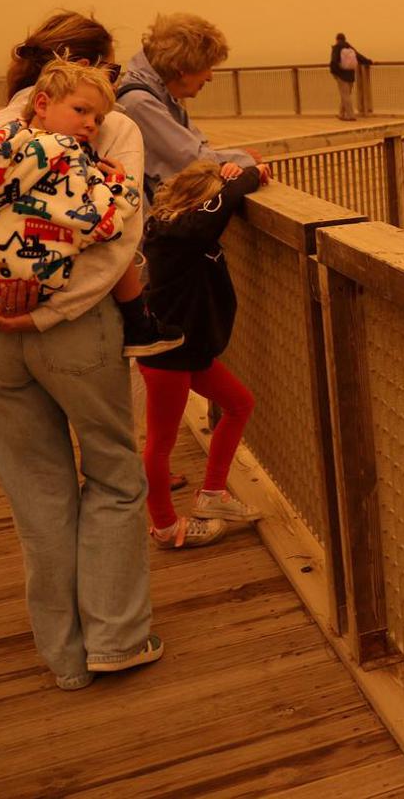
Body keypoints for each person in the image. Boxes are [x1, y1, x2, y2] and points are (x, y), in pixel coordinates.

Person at [0, 11, 160, 691]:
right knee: (113, 475)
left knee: (38, 496)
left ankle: (64, 658)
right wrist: (48, 310)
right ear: (88, 68)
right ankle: (116, 639)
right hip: (75, 334)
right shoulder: (111, 126)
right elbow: (118, 237)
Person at [0, 60, 181, 361]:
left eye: (99, 119)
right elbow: (101, 224)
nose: (91, 124)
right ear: (42, 104)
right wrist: (120, 184)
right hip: (40, 277)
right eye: (81, 111)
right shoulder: (67, 156)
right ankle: (140, 326)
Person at [136, 159, 270, 548]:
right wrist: (249, 174)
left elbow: (216, 209)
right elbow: (220, 206)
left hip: (189, 350)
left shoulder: (181, 229)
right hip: (168, 354)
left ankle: (213, 495)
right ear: (200, 202)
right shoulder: (180, 232)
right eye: (210, 202)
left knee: (240, 403)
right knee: (160, 443)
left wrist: (236, 173)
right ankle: (164, 526)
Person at [114, 13, 263, 205]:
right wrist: (246, 159)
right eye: (207, 66)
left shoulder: (156, 95)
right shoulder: (139, 103)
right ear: (181, 68)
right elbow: (192, 163)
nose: (210, 77)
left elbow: (197, 149)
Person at [328, 32, 372, 120]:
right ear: (345, 39)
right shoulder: (349, 47)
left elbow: (333, 62)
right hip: (351, 74)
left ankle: (350, 116)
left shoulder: (337, 48)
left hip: (341, 75)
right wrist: (369, 61)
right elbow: (358, 56)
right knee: (346, 95)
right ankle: (341, 114)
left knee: (345, 96)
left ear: (337, 39)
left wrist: (334, 73)